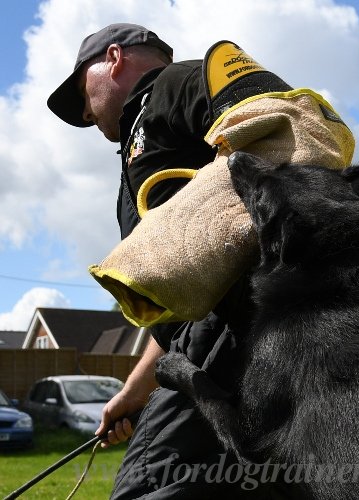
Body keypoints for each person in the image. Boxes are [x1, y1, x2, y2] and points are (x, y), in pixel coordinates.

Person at [47, 23, 294, 499]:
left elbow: (286, 128)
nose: (83, 111)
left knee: (147, 489)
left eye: (81, 92)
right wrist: (133, 394)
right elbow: (187, 305)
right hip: (210, 346)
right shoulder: (139, 150)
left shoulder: (171, 84)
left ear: (114, 58)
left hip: (239, 333)